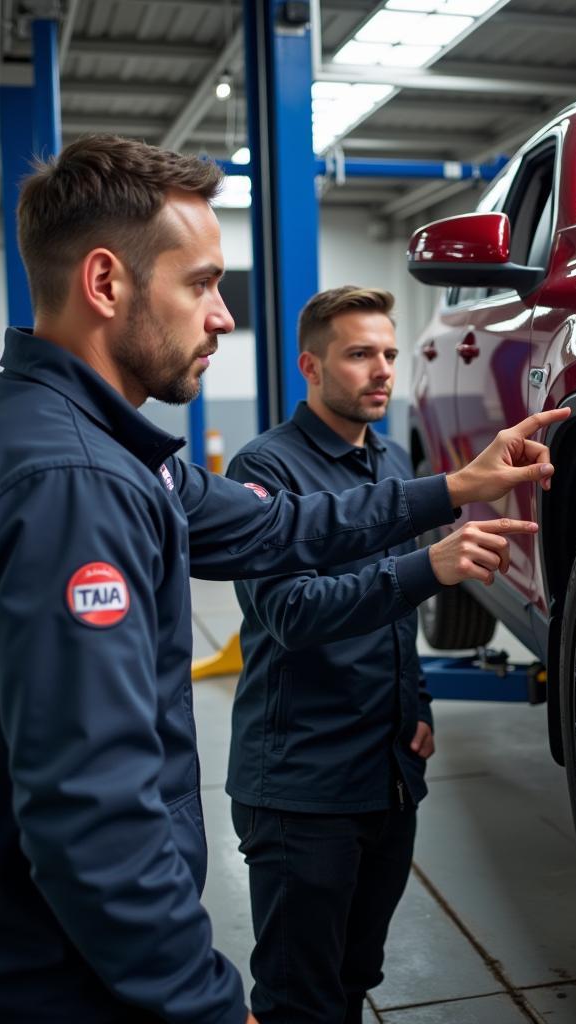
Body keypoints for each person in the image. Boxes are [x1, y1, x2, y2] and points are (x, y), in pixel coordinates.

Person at [0, 134, 569, 1024]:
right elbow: (92, 813)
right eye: (202, 283)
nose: (223, 316)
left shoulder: (103, 448)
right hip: (54, 985)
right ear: (106, 283)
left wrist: (453, 488)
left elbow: (278, 525)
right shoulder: (71, 483)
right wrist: (204, 1005)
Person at [227, 286, 520, 1024]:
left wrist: (414, 705)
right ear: (311, 366)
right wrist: (433, 567)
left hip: (387, 776)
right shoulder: (266, 470)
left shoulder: (391, 461)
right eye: (359, 354)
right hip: (302, 789)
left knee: (356, 973)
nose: (382, 370)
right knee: (301, 996)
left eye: (388, 353)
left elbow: (389, 622)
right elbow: (292, 613)